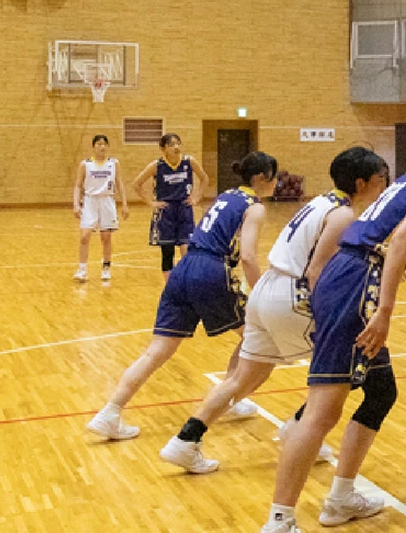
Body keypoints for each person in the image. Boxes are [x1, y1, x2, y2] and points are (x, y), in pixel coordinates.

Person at [260, 113, 406, 533]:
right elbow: (401, 238)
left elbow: (378, 232)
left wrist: (383, 268)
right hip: (358, 283)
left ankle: (340, 498)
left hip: (347, 269)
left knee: (380, 390)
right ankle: (279, 520)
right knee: (321, 412)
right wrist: (385, 310)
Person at [159, 147, 388, 475]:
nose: (383, 188)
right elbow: (316, 271)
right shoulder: (342, 215)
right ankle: (298, 426)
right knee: (351, 362)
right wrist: (331, 315)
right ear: (362, 183)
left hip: (266, 291)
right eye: (381, 181)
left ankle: (185, 439)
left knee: (243, 378)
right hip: (291, 295)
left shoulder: (321, 201)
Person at [86, 152, 278, 441]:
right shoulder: (255, 207)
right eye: (276, 176)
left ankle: (110, 413)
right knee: (256, 335)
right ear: (263, 178)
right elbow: (249, 257)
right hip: (211, 270)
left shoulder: (227, 195)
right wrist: (264, 293)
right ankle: (227, 399)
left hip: (184, 267)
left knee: (156, 350)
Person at [131, 133, 209, 280]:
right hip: (166, 212)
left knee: (187, 250)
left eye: (178, 143)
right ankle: (170, 288)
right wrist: (151, 202)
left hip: (184, 209)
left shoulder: (189, 161)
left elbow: (205, 178)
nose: (176, 147)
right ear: (163, 148)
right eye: (172, 144)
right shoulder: (157, 165)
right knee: (167, 253)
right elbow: (136, 184)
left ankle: (186, 284)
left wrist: (197, 197)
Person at [73, 135, 130, 283]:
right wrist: (76, 204)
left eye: (104, 144)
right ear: (94, 147)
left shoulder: (113, 163)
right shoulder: (85, 164)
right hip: (90, 201)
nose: (102, 147)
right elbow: (78, 185)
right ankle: (82, 269)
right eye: (99, 144)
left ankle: (106, 267)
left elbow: (119, 183)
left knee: (106, 237)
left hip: (107, 201)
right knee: (84, 236)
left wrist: (124, 204)